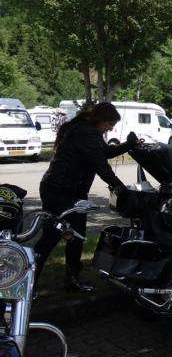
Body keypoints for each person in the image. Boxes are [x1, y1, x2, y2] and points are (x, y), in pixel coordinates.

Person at [34, 102, 139, 293]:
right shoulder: (84, 133)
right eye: (110, 124)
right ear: (101, 119)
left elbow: (104, 153)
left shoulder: (90, 131)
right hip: (60, 191)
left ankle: (71, 279)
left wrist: (128, 145)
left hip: (70, 192)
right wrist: (121, 189)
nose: (111, 128)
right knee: (51, 237)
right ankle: (30, 282)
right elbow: (100, 165)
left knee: (76, 236)